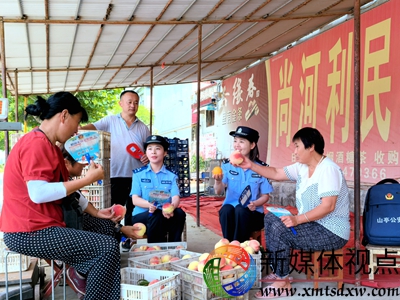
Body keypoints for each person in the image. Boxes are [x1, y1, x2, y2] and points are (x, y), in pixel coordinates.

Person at [0, 92, 121, 300]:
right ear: (64, 115)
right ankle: (88, 282)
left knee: (106, 227)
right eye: (76, 123)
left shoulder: (53, 148)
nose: (76, 130)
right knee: (106, 248)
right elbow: (38, 194)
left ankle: (83, 274)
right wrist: (87, 179)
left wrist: (97, 213)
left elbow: (69, 194)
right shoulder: (35, 143)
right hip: (28, 232)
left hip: (49, 224)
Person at [237, 127, 350, 299]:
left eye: (297, 146)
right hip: (312, 224)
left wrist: (297, 219)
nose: (295, 151)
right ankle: (280, 273)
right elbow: (275, 173)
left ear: (311, 146)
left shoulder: (328, 169)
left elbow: (328, 206)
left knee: (280, 229)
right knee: (271, 218)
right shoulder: (302, 167)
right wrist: (251, 165)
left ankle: (283, 282)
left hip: (331, 231)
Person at [80, 90, 150, 249]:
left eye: (136, 102)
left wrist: (146, 155)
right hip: (116, 176)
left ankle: (132, 243)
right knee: (115, 212)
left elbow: (149, 150)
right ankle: (114, 242)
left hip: (137, 178)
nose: (133, 105)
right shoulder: (110, 120)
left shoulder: (143, 128)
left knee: (133, 212)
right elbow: (93, 126)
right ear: (121, 104)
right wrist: (78, 128)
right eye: (129, 102)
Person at [61, 144, 142, 242]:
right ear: (66, 163)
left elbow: (81, 201)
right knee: (108, 243)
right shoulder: (59, 182)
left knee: (108, 225)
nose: (85, 164)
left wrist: (97, 213)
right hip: (65, 229)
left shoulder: (68, 180)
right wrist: (89, 179)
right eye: (82, 160)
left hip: (76, 222)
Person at [213, 126, 273, 242]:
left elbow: (265, 196)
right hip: (231, 213)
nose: (237, 145)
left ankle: (238, 247)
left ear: (252, 145)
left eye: (241, 141)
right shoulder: (226, 165)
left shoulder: (261, 168)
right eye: (235, 141)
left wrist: (255, 203)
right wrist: (218, 181)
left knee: (241, 210)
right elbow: (218, 191)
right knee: (225, 210)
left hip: (253, 214)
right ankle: (228, 245)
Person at [130, 135, 186, 243]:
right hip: (142, 215)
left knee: (179, 213)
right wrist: (150, 205)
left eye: (158, 148)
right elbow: (135, 199)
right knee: (156, 215)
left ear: (165, 152)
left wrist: (171, 207)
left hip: (165, 213)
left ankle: (174, 247)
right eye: (150, 149)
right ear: (146, 152)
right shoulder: (138, 174)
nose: (153, 152)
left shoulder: (172, 175)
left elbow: (175, 197)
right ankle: (155, 249)